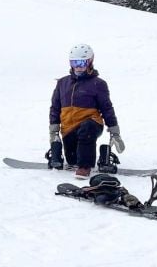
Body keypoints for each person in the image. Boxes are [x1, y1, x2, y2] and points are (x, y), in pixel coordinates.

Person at [48, 43, 124, 179]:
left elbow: (107, 108)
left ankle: (85, 167)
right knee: (73, 160)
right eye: (74, 62)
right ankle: (82, 159)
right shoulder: (62, 83)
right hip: (69, 127)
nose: (78, 66)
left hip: (92, 123)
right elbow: (55, 107)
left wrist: (115, 132)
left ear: (90, 61)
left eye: (82, 62)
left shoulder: (98, 84)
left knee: (87, 128)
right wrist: (54, 132)